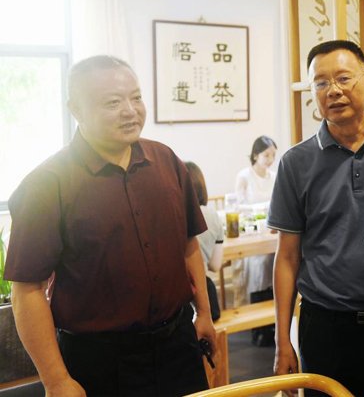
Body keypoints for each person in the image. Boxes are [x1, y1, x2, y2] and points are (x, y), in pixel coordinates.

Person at [5, 55, 216, 397]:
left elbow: (188, 243)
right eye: (113, 102)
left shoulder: (167, 161)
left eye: (136, 98)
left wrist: (203, 313)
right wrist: (56, 380)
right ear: (76, 109)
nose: (130, 111)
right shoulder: (46, 185)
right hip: (97, 361)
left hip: (177, 345)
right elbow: (26, 291)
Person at [269, 40, 364, 397]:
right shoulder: (295, 163)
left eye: (344, 78)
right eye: (320, 83)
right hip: (324, 325)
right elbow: (287, 257)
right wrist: (282, 339)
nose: (333, 91)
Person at [234, 135, 278, 344]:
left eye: (273, 155)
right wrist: (261, 208)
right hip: (250, 229)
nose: (270, 160)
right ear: (255, 155)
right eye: (266, 155)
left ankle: (272, 317)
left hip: (270, 229)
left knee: (274, 260)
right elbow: (237, 206)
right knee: (257, 264)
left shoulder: (274, 176)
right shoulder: (244, 176)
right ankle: (257, 320)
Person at [186, 161, 225, 322]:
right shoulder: (212, 216)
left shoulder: (171, 215)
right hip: (205, 292)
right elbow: (215, 266)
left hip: (180, 297)